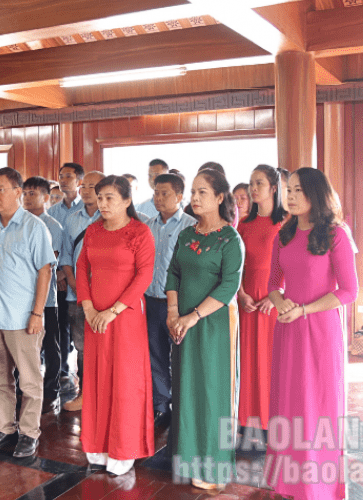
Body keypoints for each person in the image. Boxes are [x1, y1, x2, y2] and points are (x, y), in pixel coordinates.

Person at [265, 167, 358, 500]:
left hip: (320, 331)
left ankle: (320, 486)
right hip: (288, 329)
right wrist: (281, 305)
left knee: (318, 406)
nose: (289, 196)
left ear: (316, 194)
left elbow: (349, 291)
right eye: (288, 190)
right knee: (289, 404)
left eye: (298, 190)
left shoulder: (335, 234)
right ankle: (291, 481)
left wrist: (303, 310)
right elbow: (271, 285)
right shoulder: (283, 234)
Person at [166, 168, 243, 489]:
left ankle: (214, 467)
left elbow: (229, 287)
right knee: (186, 388)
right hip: (181, 323)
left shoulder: (230, 239)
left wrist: (192, 316)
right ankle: (189, 459)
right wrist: (173, 314)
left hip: (213, 325)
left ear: (220, 197)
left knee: (213, 392)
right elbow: (173, 274)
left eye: (202, 193)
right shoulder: (187, 234)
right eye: (193, 192)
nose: (195, 198)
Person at [0, 167, 55, 458]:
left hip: (22, 317)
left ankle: (29, 432)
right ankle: (5, 428)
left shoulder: (34, 227)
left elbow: (45, 271)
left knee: (30, 379)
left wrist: (37, 314)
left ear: (18, 193)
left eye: (0, 189)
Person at [77, 175, 155, 476]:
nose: (103, 203)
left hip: (126, 318)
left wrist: (112, 311)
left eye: (110, 197)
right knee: (97, 378)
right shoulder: (93, 231)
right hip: (93, 316)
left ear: (126, 200)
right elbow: (82, 268)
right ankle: (97, 444)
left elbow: (144, 276)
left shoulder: (140, 231)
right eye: (100, 197)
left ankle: (124, 448)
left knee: (124, 380)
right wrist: (88, 307)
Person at [236, 165, 287, 443]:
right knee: (247, 359)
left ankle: (270, 420)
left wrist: (276, 294)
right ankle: (247, 419)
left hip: (273, 300)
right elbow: (236, 266)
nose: (253, 189)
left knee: (269, 361)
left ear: (274, 188)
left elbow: (293, 267)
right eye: (251, 183)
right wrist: (241, 294)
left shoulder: (287, 222)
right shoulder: (243, 224)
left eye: (259, 183)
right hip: (247, 300)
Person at [143, 172, 196, 429]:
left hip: (180, 304)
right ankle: (161, 406)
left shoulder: (190, 226)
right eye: (156, 193)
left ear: (179, 196)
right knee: (156, 355)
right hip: (151, 301)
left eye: (164, 194)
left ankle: (185, 406)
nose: (159, 198)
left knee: (182, 355)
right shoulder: (148, 226)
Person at [59, 170, 104, 412]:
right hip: (77, 296)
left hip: (106, 297)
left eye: (92, 186)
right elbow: (66, 255)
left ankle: (107, 394)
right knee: (82, 347)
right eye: (84, 186)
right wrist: (77, 286)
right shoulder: (72, 218)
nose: (86, 190)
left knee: (106, 347)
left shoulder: (109, 217)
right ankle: (85, 393)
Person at [23, 176, 64, 414]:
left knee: (50, 346)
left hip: (45, 299)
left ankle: (51, 390)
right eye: (25, 193)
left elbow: (48, 265)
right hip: (21, 299)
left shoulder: (52, 227)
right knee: (26, 346)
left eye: (33, 193)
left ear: (46, 198)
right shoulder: (18, 223)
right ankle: (27, 388)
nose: (27, 197)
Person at [47, 162, 85, 391]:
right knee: (60, 326)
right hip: (57, 280)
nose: (63, 180)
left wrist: (65, 272)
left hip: (75, 277)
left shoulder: (89, 209)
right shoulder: (53, 211)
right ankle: (62, 371)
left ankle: (83, 378)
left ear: (79, 181)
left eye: (68, 176)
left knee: (79, 332)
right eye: (61, 176)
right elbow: (52, 244)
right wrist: (58, 273)